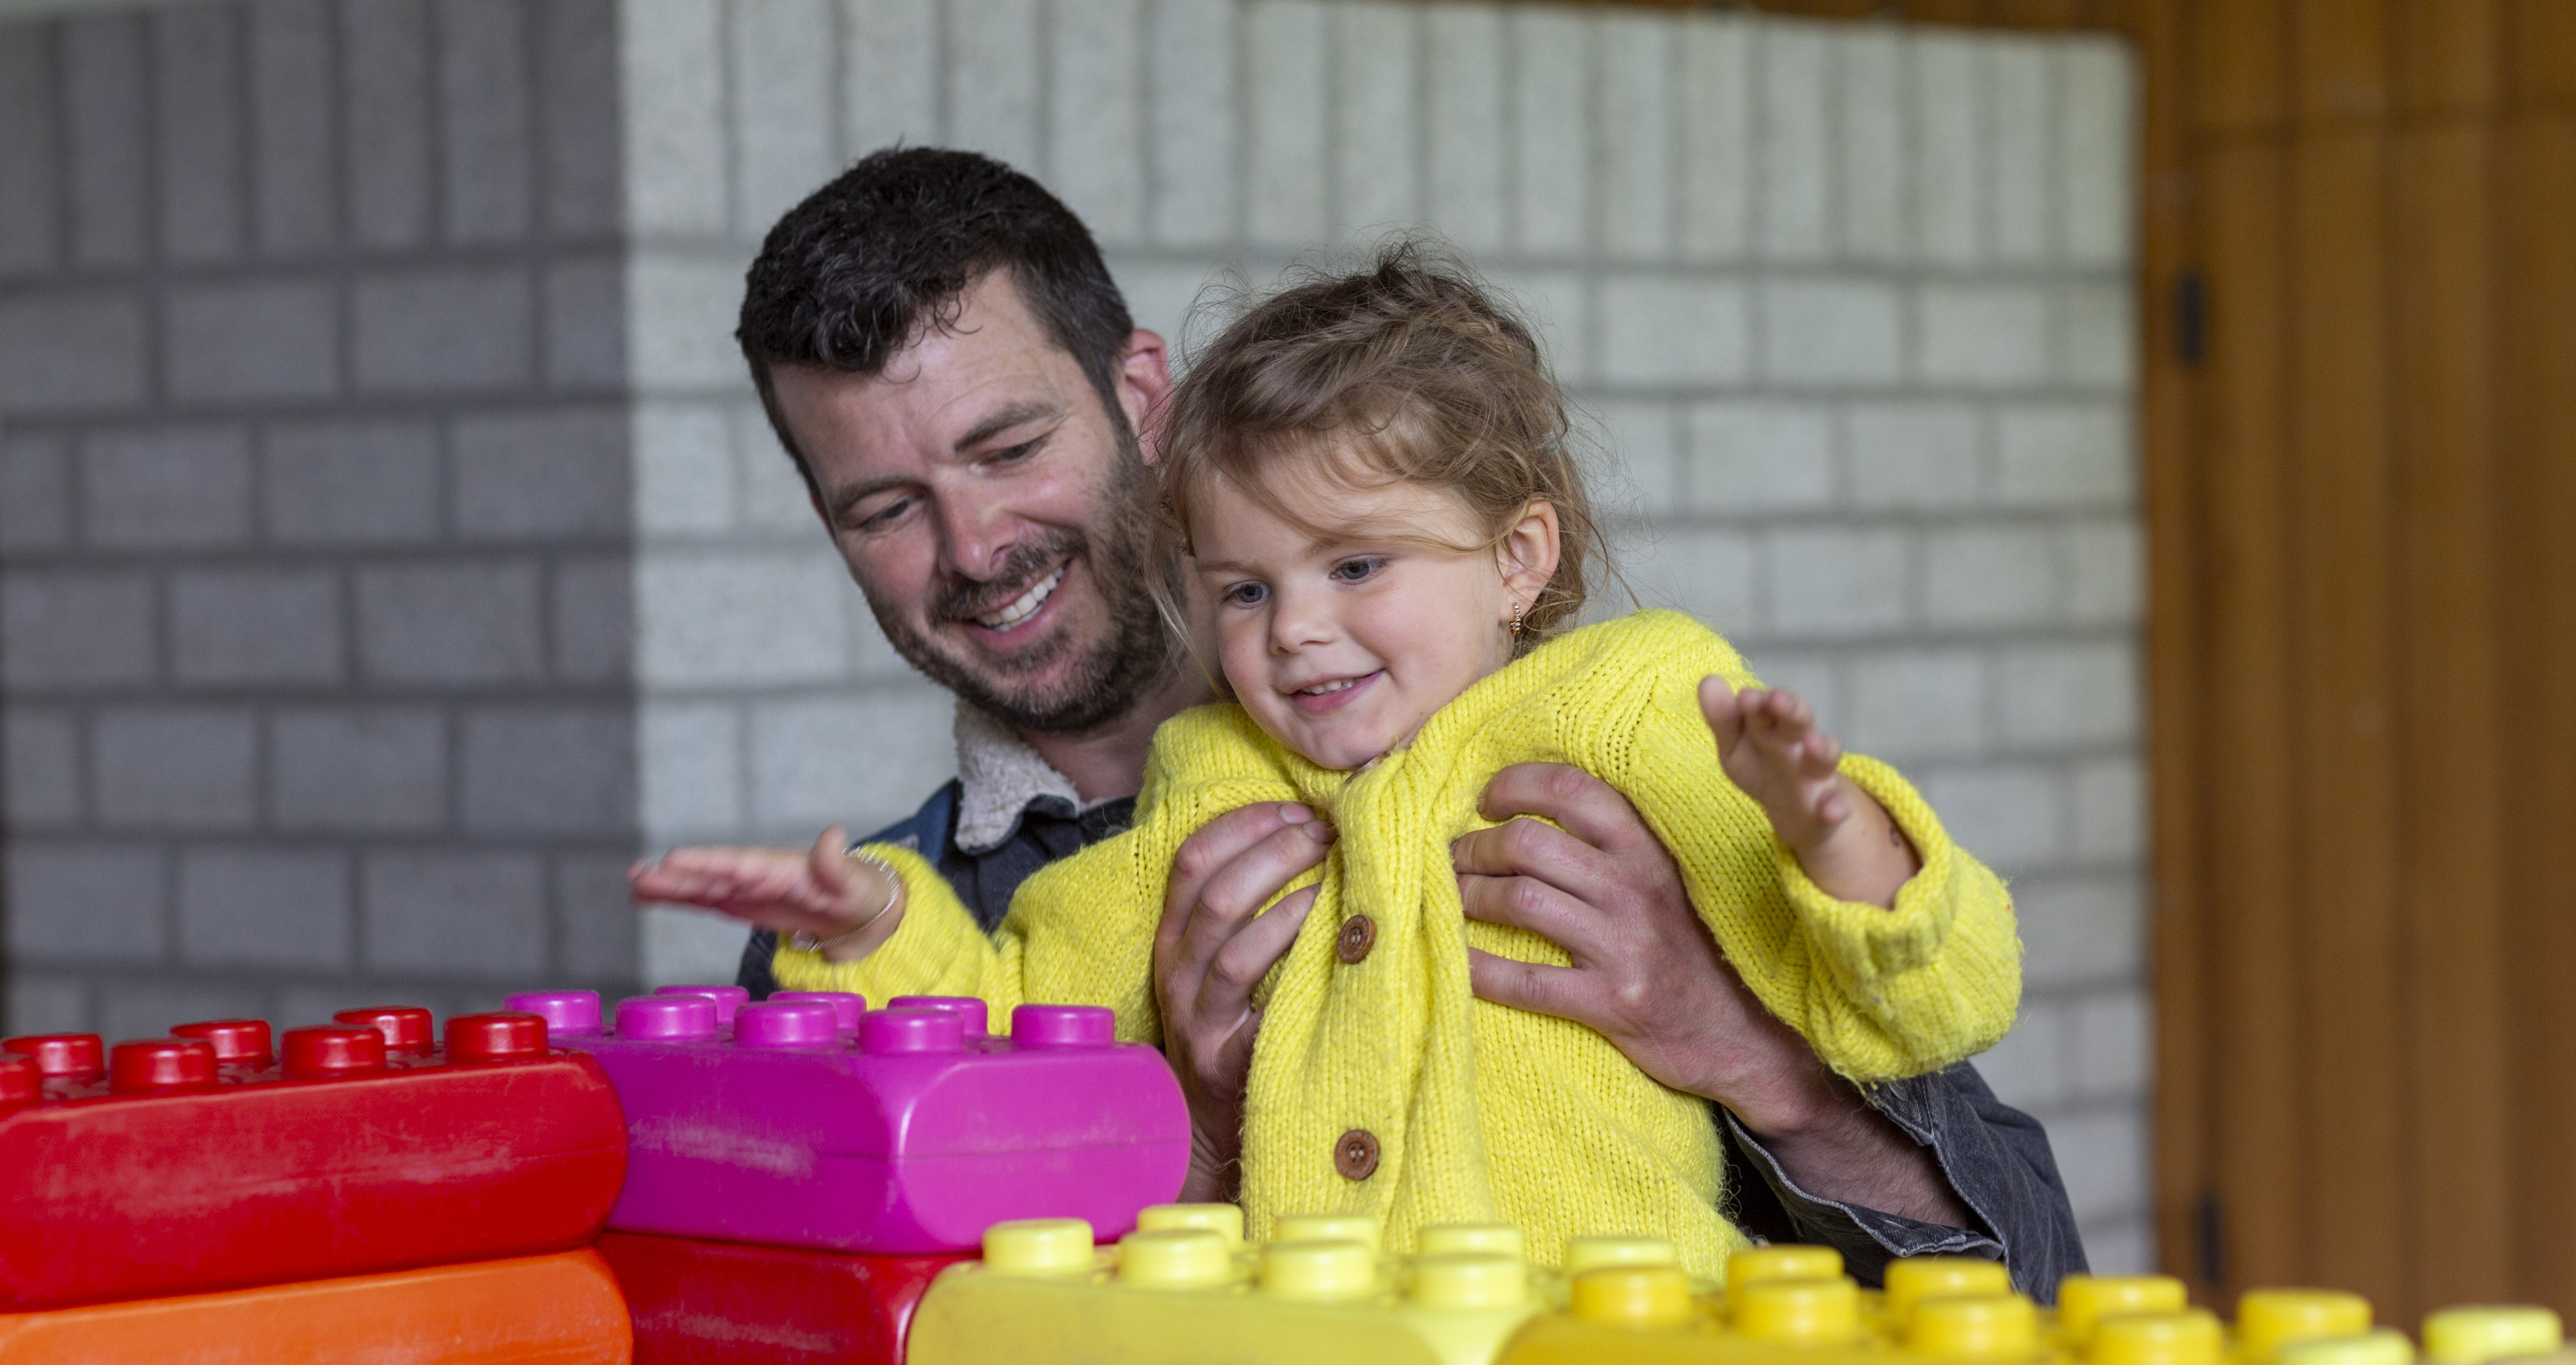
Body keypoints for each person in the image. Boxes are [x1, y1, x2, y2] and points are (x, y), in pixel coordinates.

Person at [632, 148, 2087, 1292]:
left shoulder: (1592, 764)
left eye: (1010, 447)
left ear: (1144, 397)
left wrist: (1740, 1052)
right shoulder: (853, 941)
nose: (971, 546)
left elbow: (2023, 1268)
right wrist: (1197, 1132)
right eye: (884, 508)